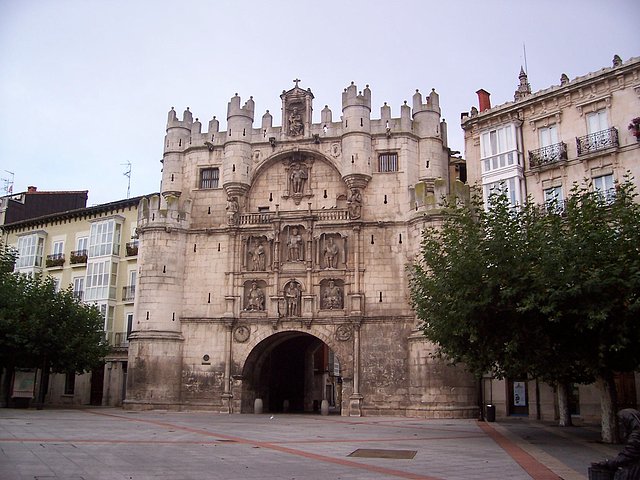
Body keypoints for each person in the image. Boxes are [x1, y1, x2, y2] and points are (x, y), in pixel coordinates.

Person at [592, 408, 640, 479]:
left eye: (622, 421)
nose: (620, 424)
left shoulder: (636, 436)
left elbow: (628, 455)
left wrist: (608, 463)